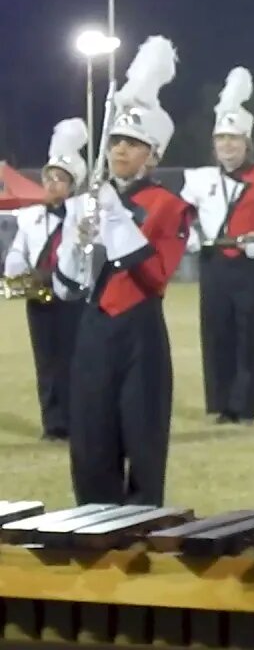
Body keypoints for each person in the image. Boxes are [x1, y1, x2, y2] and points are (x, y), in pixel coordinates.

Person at [51, 36, 190, 505]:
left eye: (133, 144)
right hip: (93, 328)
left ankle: (141, 532)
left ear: (154, 154)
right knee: (89, 439)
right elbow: (67, 286)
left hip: (140, 333)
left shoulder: (170, 207)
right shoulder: (89, 199)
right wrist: (76, 239)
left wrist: (113, 218)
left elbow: (154, 277)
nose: (120, 151)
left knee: (143, 442)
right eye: (115, 142)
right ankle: (92, 526)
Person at [181, 67, 254, 426]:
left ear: (247, 143)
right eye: (221, 139)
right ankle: (219, 402)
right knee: (215, 332)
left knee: (250, 335)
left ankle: (243, 406)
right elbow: (181, 217)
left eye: (234, 139)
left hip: (250, 266)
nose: (227, 146)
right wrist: (191, 236)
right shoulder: (200, 179)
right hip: (215, 262)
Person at [3, 119, 89, 441]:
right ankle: (53, 423)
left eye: (61, 179)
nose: (53, 184)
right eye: (49, 177)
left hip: (71, 295)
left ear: (73, 183)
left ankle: (76, 420)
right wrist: (18, 274)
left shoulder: (82, 215)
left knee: (73, 359)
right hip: (38, 294)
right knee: (47, 361)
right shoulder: (30, 216)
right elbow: (17, 251)